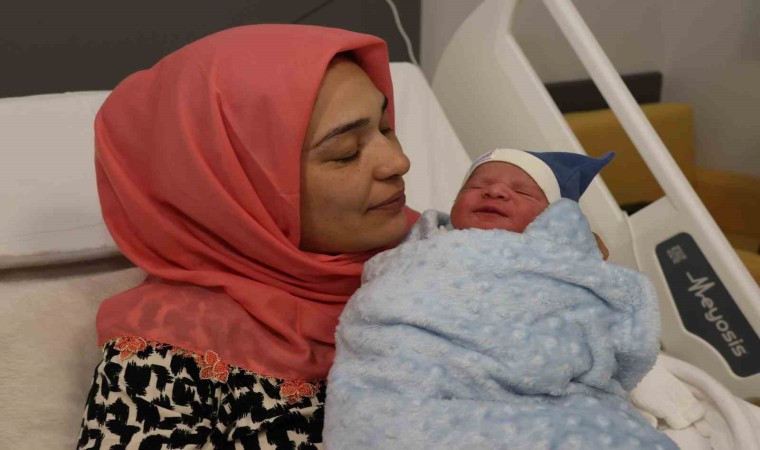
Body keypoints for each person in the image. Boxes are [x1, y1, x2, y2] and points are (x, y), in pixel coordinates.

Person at [77, 24, 419, 449]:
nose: (397, 161)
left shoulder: (445, 258)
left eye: (385, 128)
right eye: (346, 152)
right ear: (234, 188)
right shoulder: (165, 356)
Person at [324, 149, 679, 449]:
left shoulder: (559, 264)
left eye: (522, 191)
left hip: (537, 394)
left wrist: (579, 255)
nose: (494, 192)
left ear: (554, 217)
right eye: (476, 186)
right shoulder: (424, 244)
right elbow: (387, 291)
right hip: (410, 380)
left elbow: (609, 323)